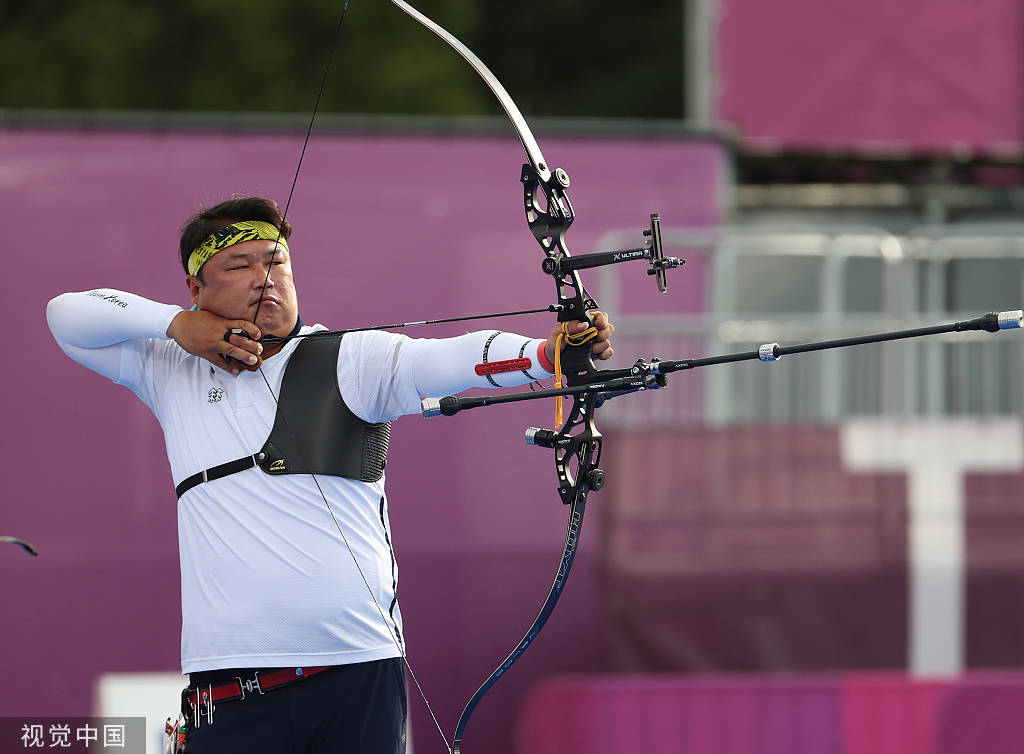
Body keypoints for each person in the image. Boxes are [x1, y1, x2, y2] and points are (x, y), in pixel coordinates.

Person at [46, 196, 614, 754]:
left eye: (277, 261)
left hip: (356, 671)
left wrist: (545, 353)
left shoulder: (350, 359)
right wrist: (177, 327)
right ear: (197, 289)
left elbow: (447, 359)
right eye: (239, 265)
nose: (264, 278)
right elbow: (66, 314)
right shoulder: (169, 367)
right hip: (227, 683)